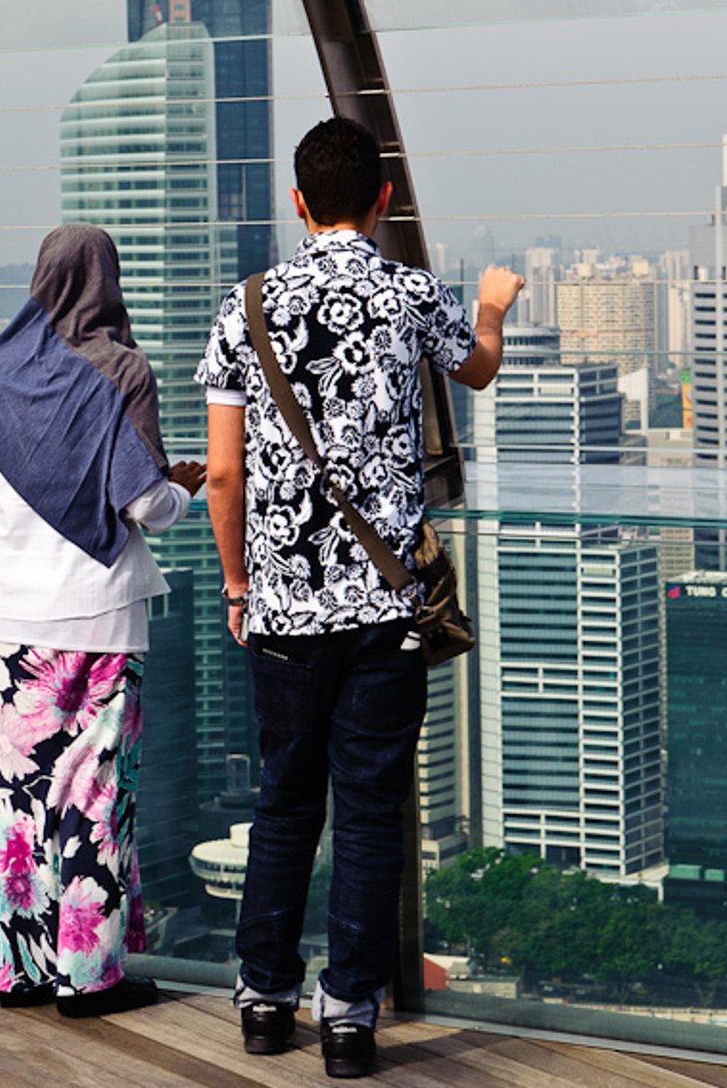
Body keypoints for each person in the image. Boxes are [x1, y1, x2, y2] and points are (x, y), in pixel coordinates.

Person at [196, 118, 524, 1078]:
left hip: (283, 611)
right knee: (374, 810)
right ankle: (348, 1016)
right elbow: (478, 367)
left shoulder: (244, 304)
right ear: (383, 202)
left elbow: (223, 474)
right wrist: (495, 305)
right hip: (385, 609)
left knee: (284, 803)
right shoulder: (410, 292)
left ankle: (262, 1000)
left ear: (298, 201)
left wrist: (238, 583)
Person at [0, 223, 205, 1018]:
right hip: (93, 620)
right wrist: (183, 487)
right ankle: (88, 976)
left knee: (13, 794)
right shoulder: (122, 371)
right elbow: (143, 505)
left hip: (4, 620)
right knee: (91, 797)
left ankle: (18, 968)